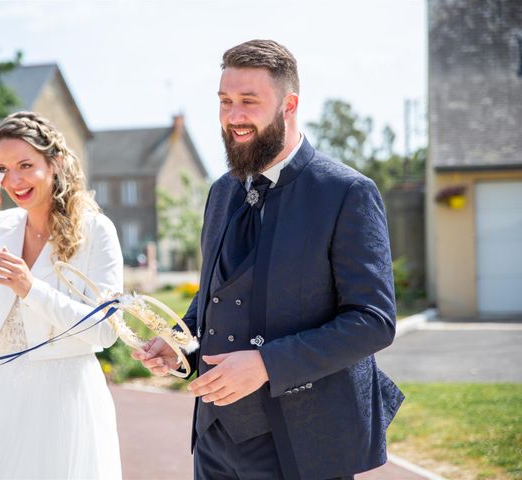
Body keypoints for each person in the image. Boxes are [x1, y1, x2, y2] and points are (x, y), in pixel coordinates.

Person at [133, 40, 404, 480]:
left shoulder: (346, 193)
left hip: (304, 441)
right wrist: (181, 342)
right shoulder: (221, 191)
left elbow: (373, 320)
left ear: (288, 104)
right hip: (214, 440)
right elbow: (216, 292)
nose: (233, 116)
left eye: (248, 102)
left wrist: (266, 364)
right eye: (225, 102)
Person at [0, 111, 123, 479]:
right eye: (4, 168)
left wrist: (31, 288)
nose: (14, 181)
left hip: (65, 398)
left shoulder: (97, 231)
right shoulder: (0, 226)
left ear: (56, 163)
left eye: (25, 165)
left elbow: (105, 329)